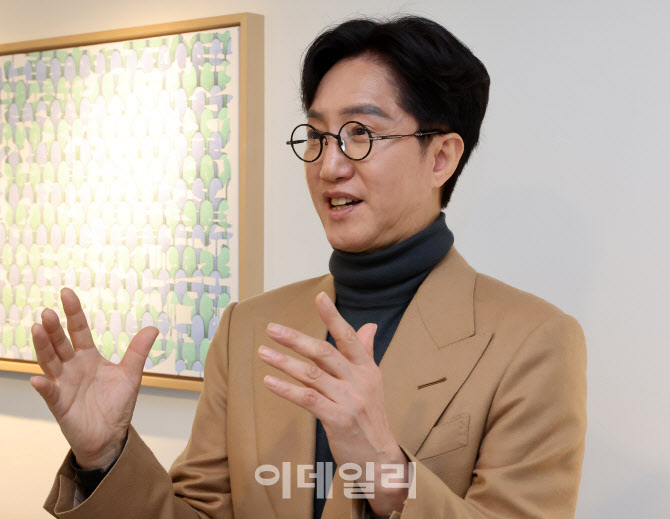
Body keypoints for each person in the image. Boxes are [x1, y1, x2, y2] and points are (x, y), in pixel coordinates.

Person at [32, 15, 587, 519]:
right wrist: (105, 457)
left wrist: (388, 474)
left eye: (360, 134)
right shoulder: (249, 328)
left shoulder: (533, 341)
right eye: (318, 136)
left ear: (441, 157)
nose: (330, 165)